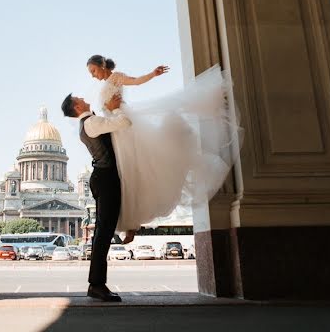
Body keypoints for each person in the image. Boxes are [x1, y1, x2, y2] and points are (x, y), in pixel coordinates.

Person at [86, 54, 239, 246]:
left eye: (93, 71)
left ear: (101, 65)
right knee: (128, 174)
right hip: (116, 128)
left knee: (130, 172)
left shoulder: (116, 77)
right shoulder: (106, 83)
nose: (92, 76)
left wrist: (152, 74)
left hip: (124, 129)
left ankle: (131, 225)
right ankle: (130, 224)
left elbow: (136, 81)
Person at [61, 92, 129, 302]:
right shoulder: (91, 123)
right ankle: (97, 285)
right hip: (106, 178)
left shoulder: (89, 122)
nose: (83, 97)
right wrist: (116, 108)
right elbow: (124, 122)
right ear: (77, 106)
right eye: (78, 98)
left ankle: (97, 284)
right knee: (103, 232)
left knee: (103, 231)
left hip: (103, 177)